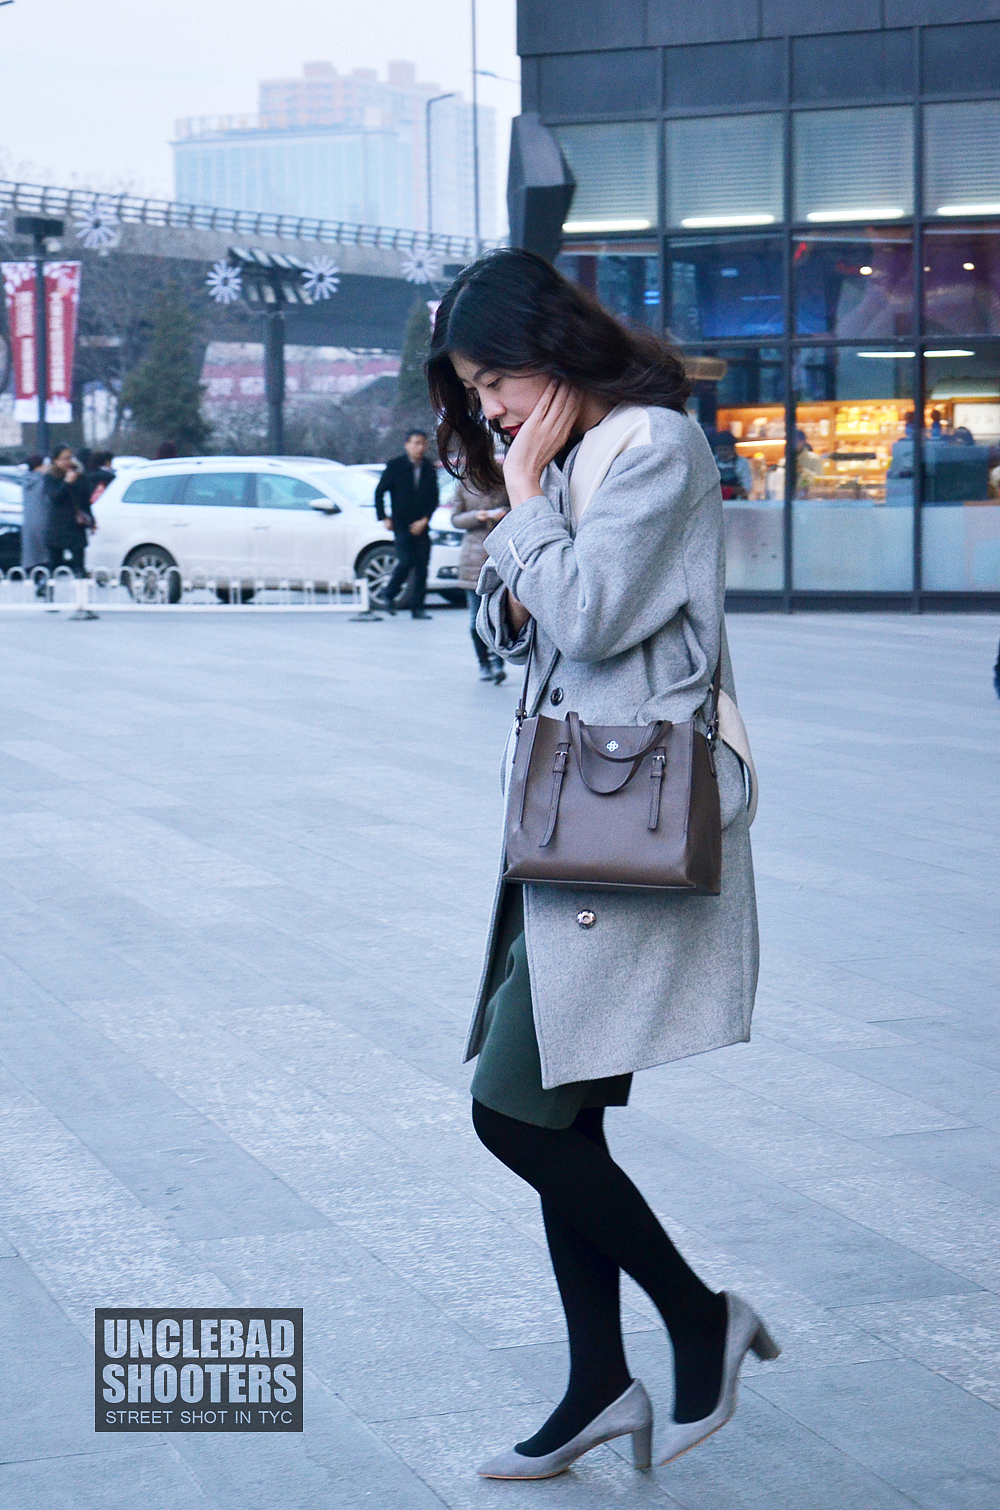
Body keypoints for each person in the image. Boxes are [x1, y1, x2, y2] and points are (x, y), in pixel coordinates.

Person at [427, 249, 776, 1481]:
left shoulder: (652, 447)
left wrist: (522, 507)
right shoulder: (572, 459)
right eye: (473, 393)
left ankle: (697, 1315)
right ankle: (596, 1384)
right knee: (559, 1110)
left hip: (623, 822)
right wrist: (517, 528)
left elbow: (591, 615)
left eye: (498, 378)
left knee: (510, 1111)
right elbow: (518, 620)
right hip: (573, 824)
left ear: (554, 345)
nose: (491, 410)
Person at [372, 430, 439, 618]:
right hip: (401, 522)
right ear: (407, 444)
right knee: (406, 560)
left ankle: (417, 607)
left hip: (422, 523)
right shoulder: (395, 466)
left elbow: (434, 497)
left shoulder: (428, 467)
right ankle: (389, 592)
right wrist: (384, 517)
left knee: (422, 565)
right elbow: (379, 492)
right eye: (416, 443)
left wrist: (425, 519)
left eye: (423, 443)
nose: (420, 447)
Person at [451, 479, 509, 681]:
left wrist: (503, 512)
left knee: (499, 616)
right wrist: (475, 516)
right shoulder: (464, 484)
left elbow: (517, 508)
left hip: (499, 551)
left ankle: (498, 662)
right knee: (476, 618)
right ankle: (484, 663)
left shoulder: (502, 478)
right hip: (473, 557)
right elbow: (455, 518)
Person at [44, 447, 87, 576]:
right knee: (54, 565)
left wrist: (91, 519)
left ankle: (81, 592)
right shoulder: (50, 477)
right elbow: (55, 497)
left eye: (69, 458)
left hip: (76, 525)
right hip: (57, 526)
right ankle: (47, 590)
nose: (67, 462)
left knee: (79, 566)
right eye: (63, 459)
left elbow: (84, 500)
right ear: (55, 460)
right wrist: (67, 482)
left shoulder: (78, 475)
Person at [18, 454, 49, 576]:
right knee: (44, 557)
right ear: (38, 466)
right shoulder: (42, 481)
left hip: (28, 523)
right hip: (43, 521)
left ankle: (37, 580)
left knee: (32, 556)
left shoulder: (25, 481)